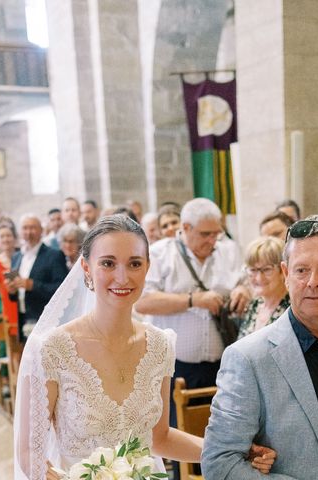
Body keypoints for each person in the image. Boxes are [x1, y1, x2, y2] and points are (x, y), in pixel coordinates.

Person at [13, 215, 275, 480]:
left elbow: (159, 438)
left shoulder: (159, 345)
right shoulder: (52, 349)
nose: (122, 277)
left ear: (147, 267)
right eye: (108, 263)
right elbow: (29, 454)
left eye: (134, 264)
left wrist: (231, 452)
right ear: (86, 268)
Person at [202, 215, 318, 479]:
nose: (313, 281)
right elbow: (219, 463)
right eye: (301, 270)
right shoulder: (249, 358)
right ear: (286, 274)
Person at [135, 198, 250, 479]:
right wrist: (193, 300)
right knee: (180, 443)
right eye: (205, 234)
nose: (212, 240)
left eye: (216, 233)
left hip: (223, 366)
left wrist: (243, 290)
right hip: (177, 369)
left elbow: (246, 279)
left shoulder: (228, 250)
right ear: (185, 228)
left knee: (224, 444)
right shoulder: (160, 254)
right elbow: (144, 302)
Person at [7, 215, 69, 342]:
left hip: (45, 317)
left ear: (41, 230)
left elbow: (62, 289)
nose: (28, 232)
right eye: (25, 228)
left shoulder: (54, 255)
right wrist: (12, 291)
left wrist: (33, 285)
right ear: (20, 232)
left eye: (33, 228)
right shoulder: (17, 256)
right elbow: (16, 292)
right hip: (24, 315)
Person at [237, 236, 290, 340]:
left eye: (266, 270)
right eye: (253, 270)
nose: (259, 277)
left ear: (282, 271)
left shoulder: (292, 309)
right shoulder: (254, 305)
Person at [0, 222, 19, 336]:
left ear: (14, 238)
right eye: (2, 236)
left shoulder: (22, 256)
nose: (6, 239)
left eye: (9, 235)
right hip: (8, 303)